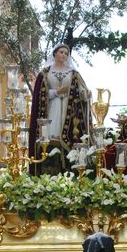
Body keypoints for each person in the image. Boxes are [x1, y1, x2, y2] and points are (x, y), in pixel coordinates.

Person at [28, 43, 90, 175]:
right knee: (50, 139)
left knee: (70, 138)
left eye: (66, 53)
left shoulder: (73, 74)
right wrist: (56, 92)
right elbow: (39, 95)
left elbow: (81, 91)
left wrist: (86, 95)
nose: (64, 55)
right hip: (52, 109)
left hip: (70, 113)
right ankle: (49, 170)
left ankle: (68, 171)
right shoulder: (45, 73)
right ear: (55, 53)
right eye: (61, 52)